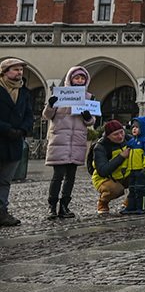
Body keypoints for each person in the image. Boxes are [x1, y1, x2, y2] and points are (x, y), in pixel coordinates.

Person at [42, 65, 95, 219]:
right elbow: (47, 115)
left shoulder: (89, 97)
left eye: (82, 78)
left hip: (77, 142)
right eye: (76, 78)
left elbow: (92, 120)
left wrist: (87, 117)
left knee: (71, 176)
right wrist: (51, 105)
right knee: (57, 175)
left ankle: (64, 205)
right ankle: (52, 206)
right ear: (70, 79)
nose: (79, 80)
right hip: (60, 140)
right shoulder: (60, 95)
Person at [0, 58, 34, 227]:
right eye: (15, 69)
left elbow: (29, 115)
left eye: (21, 69)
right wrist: (7, 129)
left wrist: (22, 130)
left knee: (5, 180)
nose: (19, 72)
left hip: (14, 142)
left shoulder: (24, 92)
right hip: (2, 136)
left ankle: (2, 211)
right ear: (4, 72)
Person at [90, 120, 133, 215]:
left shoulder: (129, 139)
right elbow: (103, 171)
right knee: (116, 189)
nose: (120, 136)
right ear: (108, 136)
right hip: (105, 179)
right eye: (116, 134)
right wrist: (121, 157)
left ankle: (130, 200)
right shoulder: (100, 147)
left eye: (121, 132)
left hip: (125, 174)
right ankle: (103, 202)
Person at [121, 116, 145, 215]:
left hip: (141, 170)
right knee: (132, 189)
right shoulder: (132, 141)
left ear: (143, 128)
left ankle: (141, 207)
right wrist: (124, 167)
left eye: (137, 127)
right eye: (133, 127)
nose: (134, 129)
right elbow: (127, 156)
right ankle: (131, 207)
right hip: (132, 170)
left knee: (140, 189)